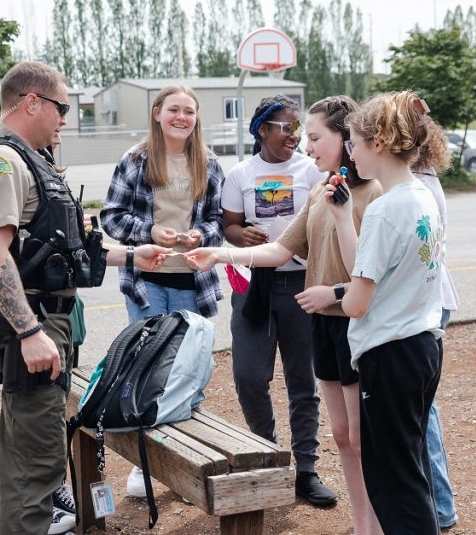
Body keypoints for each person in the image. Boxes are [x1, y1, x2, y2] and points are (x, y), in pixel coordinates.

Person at [0, 61, 171, 535]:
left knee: (35, 459)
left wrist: (135, 255)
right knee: (37, 467)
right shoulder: (1, 162)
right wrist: (30, 331)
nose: (65, 118)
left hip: (46, 322)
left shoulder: (32, 159)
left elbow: (61, 249)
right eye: (61, 107)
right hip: (28, 325)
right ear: (31, 101)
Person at [187, 96, 383, 534]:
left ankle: (373, 518)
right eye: (301, 134)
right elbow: (280, 249)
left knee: (362, 436)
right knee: (343, 434)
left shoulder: (375, 194)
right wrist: (219, 253)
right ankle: (360, 522)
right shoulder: (321, 189)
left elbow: (376, 278)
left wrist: (332, 291)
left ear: (348, 138)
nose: (304, 145)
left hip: (355, 324)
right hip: (321, 319)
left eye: (313, 136)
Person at [100, 84, 225, 498]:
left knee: (190, 370)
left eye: (189, 111)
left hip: (192, 282)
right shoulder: (136, 161)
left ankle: (189, 460)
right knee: (148, 370)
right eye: (174, 109)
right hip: (148, 282)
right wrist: (149, 231)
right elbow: (111, 218)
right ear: (157, 113)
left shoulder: (208, 163)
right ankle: (145, 464)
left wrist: (199, 235)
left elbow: (217, 224)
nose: (182, 117)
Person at [334, 91, 447, 534]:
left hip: (389, 355)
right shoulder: (421, 196)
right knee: (410, 471)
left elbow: (357, 302)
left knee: (394, 486)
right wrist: (344, 218)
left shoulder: (384, 210)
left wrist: (336, 297)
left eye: (354, 143)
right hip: (422, 346)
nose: (351, 153)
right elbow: (377, 269)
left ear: (378, 142)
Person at [219, 95, 336, 507]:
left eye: (298, 126)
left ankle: (305, 470)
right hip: (254, 287)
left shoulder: (311, 170)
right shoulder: (240, 174)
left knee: (304, 381)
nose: (295, 135)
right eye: (286, 127)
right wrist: (241, 236)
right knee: (249, 376)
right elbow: (229, 226)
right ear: (262, 131)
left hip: (302, 284)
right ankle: (270, 456)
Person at [411, 119, 459, 529]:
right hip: (434, 299)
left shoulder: (416, 187)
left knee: (421, 414)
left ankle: (439, 507)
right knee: (423, 411)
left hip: (427, 302)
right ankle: (438, 506)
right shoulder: (423, 179)